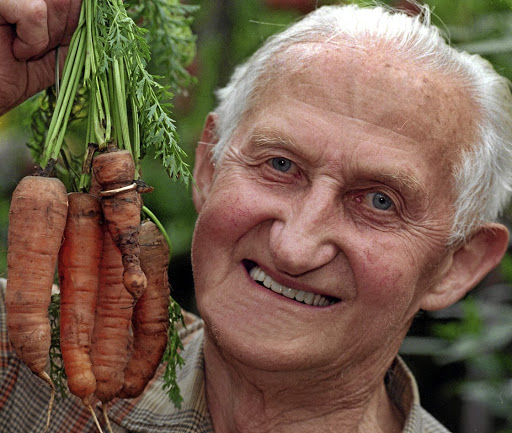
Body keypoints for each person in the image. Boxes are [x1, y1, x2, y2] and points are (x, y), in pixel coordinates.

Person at [1, 1, 511, 432]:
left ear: (457, 265)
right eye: (280, 165)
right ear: (207, 166)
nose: (295, 248)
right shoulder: (26, 364)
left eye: (380, 201)